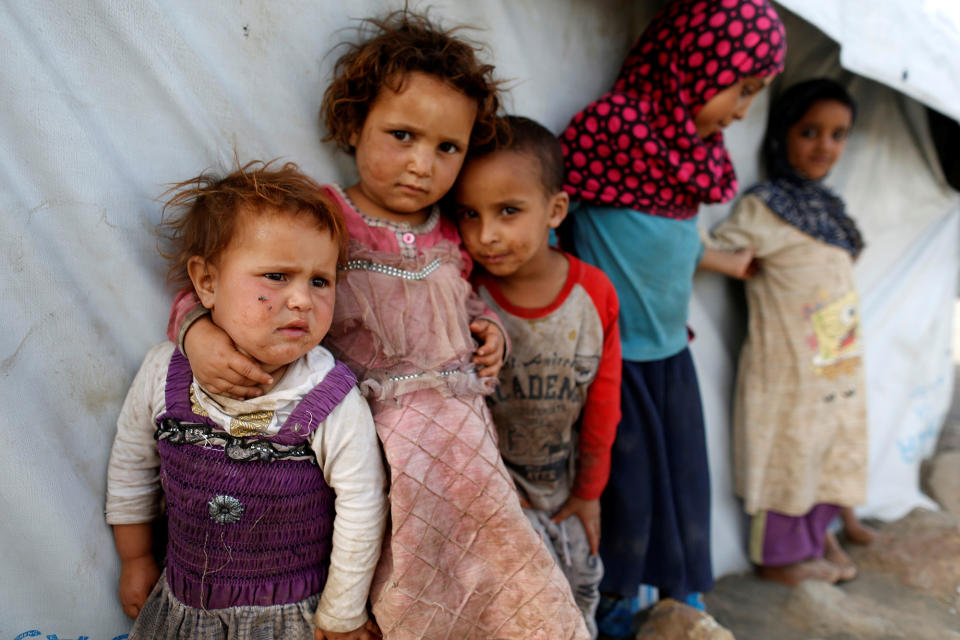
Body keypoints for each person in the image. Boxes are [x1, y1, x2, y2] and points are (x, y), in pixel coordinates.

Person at [167, 12, 589, 639]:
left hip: (464, 438)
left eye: (447, 147)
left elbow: (461, 301)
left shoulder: (451, 231)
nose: (423, 164)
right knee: (407, 565)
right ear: (353, 124)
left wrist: (487, 329)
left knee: (500, 561)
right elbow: (229, 284)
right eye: (402, 135)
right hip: (375, 436)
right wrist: (196, 334)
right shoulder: (323, 217)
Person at [558, 0, 787, 634]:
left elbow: (672, 243)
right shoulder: (609, 132)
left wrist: (728, 262)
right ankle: (620, 597)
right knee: (625, 482)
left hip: (670, 350)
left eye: (754, 94)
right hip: (617, 358)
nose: (743, 109)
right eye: (742, 88)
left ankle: (680, 590)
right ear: (695, 60)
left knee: (684, 478)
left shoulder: (691, 153)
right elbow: (555, 222)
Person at [105, 161, 388, 640]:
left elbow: (362, 506)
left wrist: (342, 614)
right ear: (208, 282)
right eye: (276, 276)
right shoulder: (164, 372)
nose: (301, 299)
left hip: (292, 615)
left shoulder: (329, 396)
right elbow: (131, 466)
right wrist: (135, 558)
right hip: (184, 608)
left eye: (320, 281)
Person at [452, 115, 622, 638]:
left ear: (555, 209)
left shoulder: (592, 294)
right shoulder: (464, 295)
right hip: (497, 499)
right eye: (469, 214)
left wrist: (590, 492)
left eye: (508, 211)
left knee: (576, 596)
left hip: (567, 490)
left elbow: (604, 402)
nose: (486, 235)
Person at [702, 78, 874, 586]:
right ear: (782, 133)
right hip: (788, 367)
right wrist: (735, 265)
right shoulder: (765, 206)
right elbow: (723, 248)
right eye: (810, 131)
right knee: (788, 450)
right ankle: (780, 559)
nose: (825, 146)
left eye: (838, 134)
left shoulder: (828, 209)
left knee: (827, 443)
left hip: (832, 362)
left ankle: (819, 534)